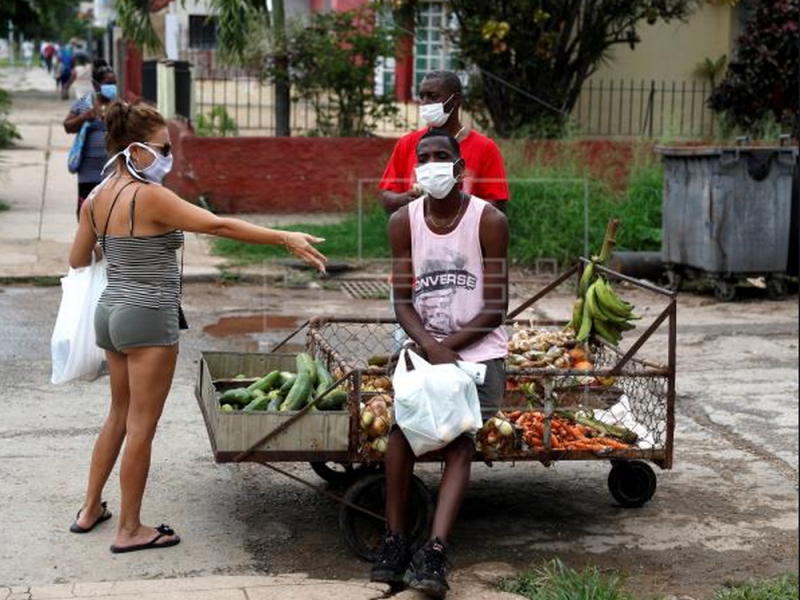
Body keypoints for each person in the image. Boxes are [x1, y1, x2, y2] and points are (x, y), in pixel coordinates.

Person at [67, 100, 327, 553]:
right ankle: (130, 529)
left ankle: (90, 509)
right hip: (148, 315)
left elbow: (76, 259)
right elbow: (218, 225)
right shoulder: (148, 195)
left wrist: (124, 250)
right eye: (163, 147)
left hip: (109, 311)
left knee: (117, 416)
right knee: (142, 427)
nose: (169, 156)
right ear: (137, 149)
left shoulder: (98, 194)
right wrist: (284, 237)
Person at [371, 129, 508, 598]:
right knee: (401, 432)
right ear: (416, 169)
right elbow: (403, 302)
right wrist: (430, 346)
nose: (431, 163)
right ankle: (393, 541)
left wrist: (449, 348)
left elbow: (496, 307)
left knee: (459, 438)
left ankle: (434, 551)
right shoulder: (402, 222)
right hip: (425, 346)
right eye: (423, 157)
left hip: (478, 351)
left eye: (440, 157)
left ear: (459, 167)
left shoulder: (487, 220)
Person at [379, 71, 510, 215]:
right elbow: (387, 198)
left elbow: (497, 204)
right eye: (422, 96)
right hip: (418, 235)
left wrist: (455, 206)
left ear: (456, 100)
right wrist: (408, 199)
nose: (425, 103)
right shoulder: (407, 143)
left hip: (466, 236)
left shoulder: (485, 148)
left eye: (433, 96)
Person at [63, 62, 118, 218]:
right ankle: (87, 241)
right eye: (109, 83)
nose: (113, 86)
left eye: (114, 83)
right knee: (86, 212)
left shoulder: (120, 105)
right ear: (96, 84)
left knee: (110, 213)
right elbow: (67, 126)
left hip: (112, 171)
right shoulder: (85, 103)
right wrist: (84, 117)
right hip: (88, 171)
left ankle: (104, 242)